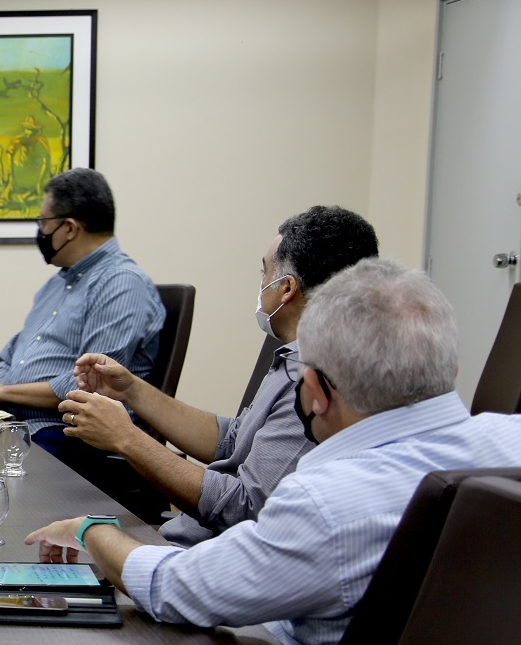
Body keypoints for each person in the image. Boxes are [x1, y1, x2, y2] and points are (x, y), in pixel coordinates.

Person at [24, 257, 521, 645]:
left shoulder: (325, 503)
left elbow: (175, 588)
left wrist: (91, 531)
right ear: (450, 369)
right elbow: (233, 441)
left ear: (315, 391)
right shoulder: (513, 441)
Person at [60, 206, 379, 546]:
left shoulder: (316, 380)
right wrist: (132, 390)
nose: (260, 285)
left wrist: (125, 436)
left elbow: (244, 508)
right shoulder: (294, 356)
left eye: (264, 272)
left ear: (287, 289)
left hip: (202, 557)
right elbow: (233, 441)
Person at [0, 169, 164, 508]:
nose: (40, 231)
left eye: (43, 221)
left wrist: (1, 392)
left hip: (71, 435)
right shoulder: (56, 285)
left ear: (69, 228)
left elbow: (89, 384)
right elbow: (12, 358)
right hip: (23, 424)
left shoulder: (122, 283)